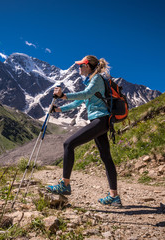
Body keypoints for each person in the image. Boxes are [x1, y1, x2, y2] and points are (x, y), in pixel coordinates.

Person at [46, 55, 121, 206]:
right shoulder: (90, 82)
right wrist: (58, 109)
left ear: (87, 66)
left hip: (100, 121)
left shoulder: (97, 79)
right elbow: (80, 101)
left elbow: (85, 95)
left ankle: (65, 184)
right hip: (100, 121)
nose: (78, 68)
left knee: (68, 144)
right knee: (106, 157)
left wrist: (63, 95)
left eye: (80, 65)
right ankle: (114, 197)